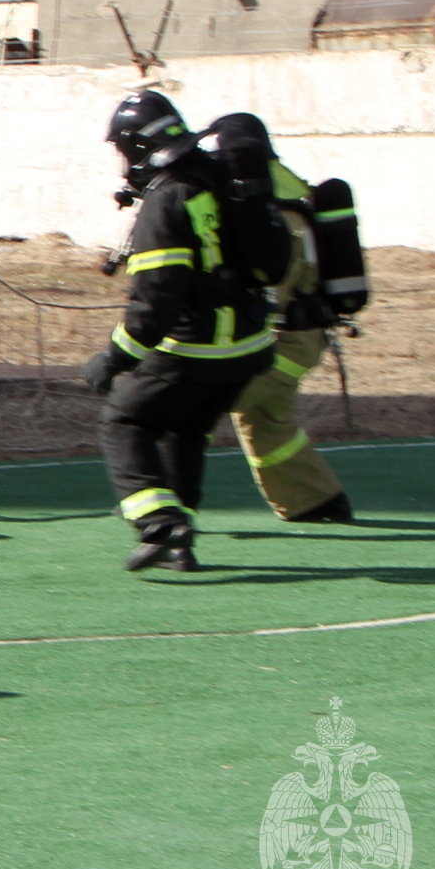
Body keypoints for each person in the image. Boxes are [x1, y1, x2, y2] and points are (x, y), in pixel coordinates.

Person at [83, 92, 289, 573]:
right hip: (250, 347)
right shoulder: (219, 177)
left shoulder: (168, 197)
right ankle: (180, 540)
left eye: (122, 149)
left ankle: (157, 523)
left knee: (124, 421)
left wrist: (113, 359)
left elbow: (156, 300)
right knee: (184, 431)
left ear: (137, 146)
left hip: (196, 347)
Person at [223, 129, 355, 524]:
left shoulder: (269, 204)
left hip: (282, 341)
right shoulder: (290, 189)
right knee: (264, 420)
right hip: (299, 338)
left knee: (190, 403)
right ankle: (316, 500)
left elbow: (275, 279)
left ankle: (160, 505)